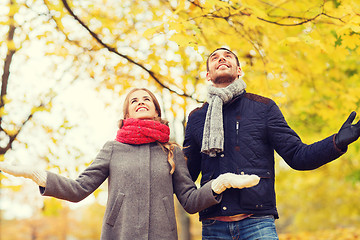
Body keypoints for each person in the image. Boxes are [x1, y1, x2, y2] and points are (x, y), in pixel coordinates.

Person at [0, 87, 261, 240]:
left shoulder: (171, 150)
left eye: (146, 99)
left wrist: (221, 183)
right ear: (127, 114)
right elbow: (79, 189)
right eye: (134, 101)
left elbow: (190, 201)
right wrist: (37, 175)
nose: (140, 102)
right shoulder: (112, 148)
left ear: (156, 111)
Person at [183, 48, 360, 240]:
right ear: (208, 75)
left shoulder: (263, 108)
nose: (221, 59)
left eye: (228, 56)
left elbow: (297, 155)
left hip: (257, 224)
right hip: (213, 226)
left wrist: (336, 143)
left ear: (239, 70)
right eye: (215, 58)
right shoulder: (196, 118)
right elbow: (186, 176)